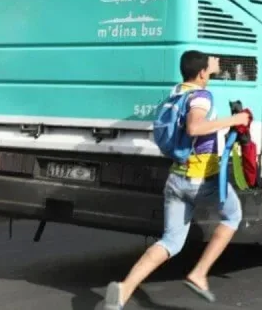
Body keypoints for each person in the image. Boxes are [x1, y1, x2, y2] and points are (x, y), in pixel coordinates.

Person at [104, 51, 250, 308]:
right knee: (233, 216)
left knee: (171, 241)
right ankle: (199, 273)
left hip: (176, 178)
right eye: (210, 64)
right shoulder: (201, 97)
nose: (214, 64)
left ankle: (124, 290)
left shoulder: (178, 92)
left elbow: (188, 127)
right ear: (202, 73)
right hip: (201, 179)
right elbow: (194, 127)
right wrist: (235, 119)